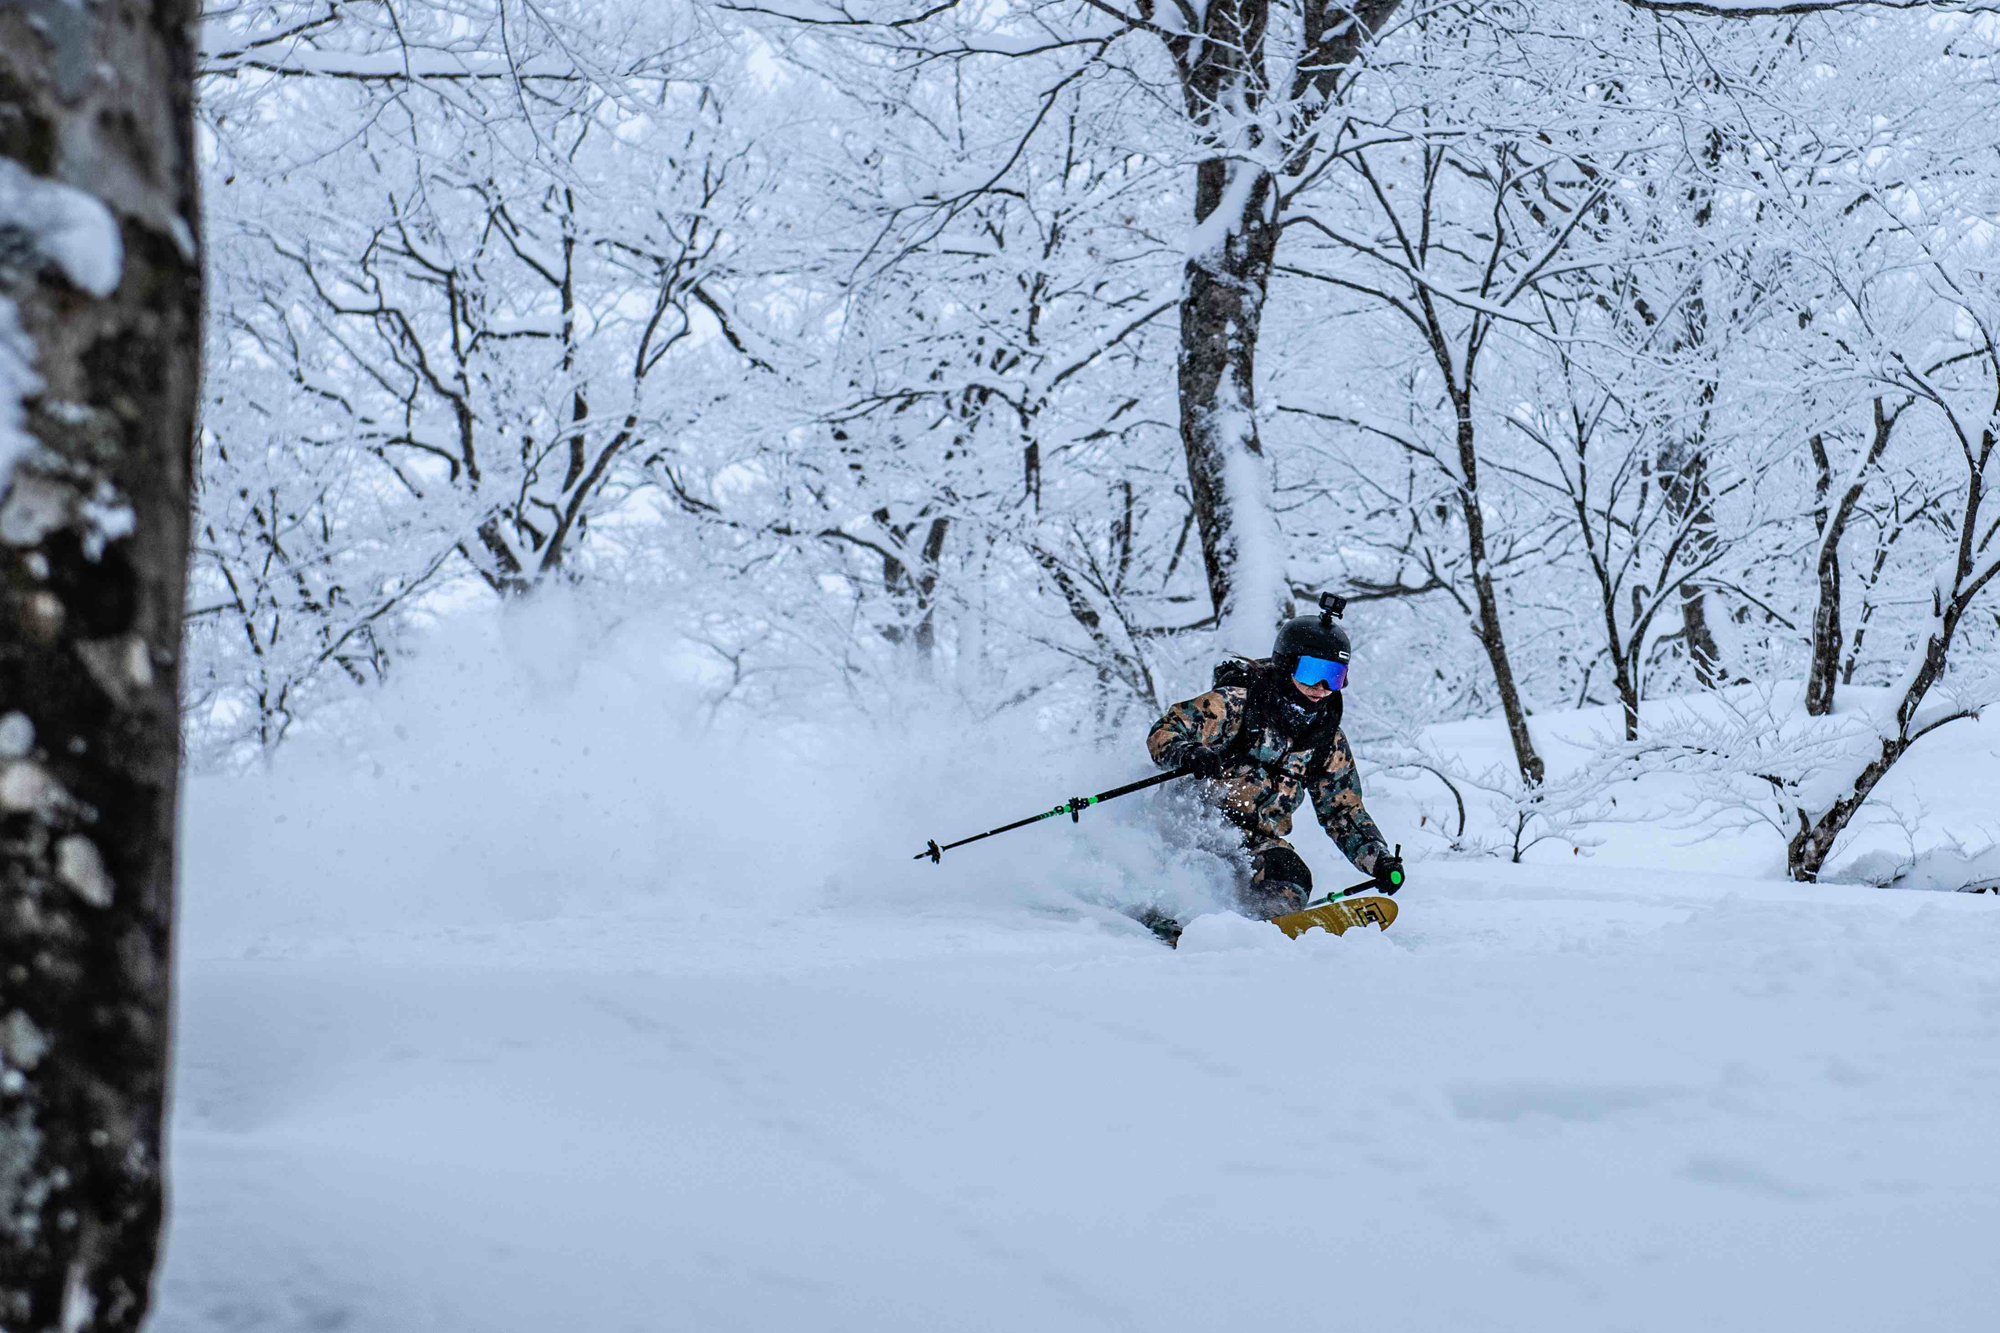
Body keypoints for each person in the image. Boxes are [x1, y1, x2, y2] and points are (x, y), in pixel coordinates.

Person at [1146, 597, 1403, 925]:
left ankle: (1266, 928)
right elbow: (1165, 732)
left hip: (1252, 842)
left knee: (1291, 874)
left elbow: (1342, 811)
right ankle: (1168, 914)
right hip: (1187, 824)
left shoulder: (1326, 740)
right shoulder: (1235, 705)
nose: (1322, 688)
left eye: (1334, 677)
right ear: (1287, 664)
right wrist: (1187, 752)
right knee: (1196, 867)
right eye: (1313, 672)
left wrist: (1378, 860)